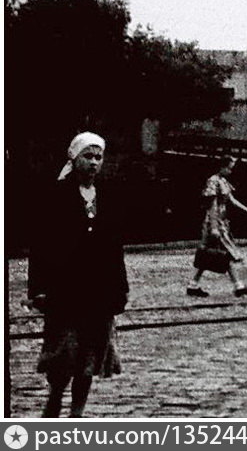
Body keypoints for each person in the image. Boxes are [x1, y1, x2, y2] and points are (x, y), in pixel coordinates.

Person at [29, 133, 128, 418]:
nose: (94, 163)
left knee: (89, 358)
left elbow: (114, 248)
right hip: (66, 291)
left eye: (98, 157)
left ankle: (77, 415)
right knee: (63, 355)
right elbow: (41, 246)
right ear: (74, 158)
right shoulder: (57, 196)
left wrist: (120, 289)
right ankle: (54, 400)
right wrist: (39, 288)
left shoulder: (106, 197)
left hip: (98, 293)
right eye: (88, 156)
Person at [190, 157, 247, 299]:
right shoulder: (214, 181)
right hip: (214, 223)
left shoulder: (222, 181)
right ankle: (238, 286)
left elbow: (232, 201)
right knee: (224, 253)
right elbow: (212, 206)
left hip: (220, 222)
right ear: (221, 167)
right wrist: (214, 227)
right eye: (229, 167)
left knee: (209, 254)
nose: (230, 170)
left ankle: (193, 285)